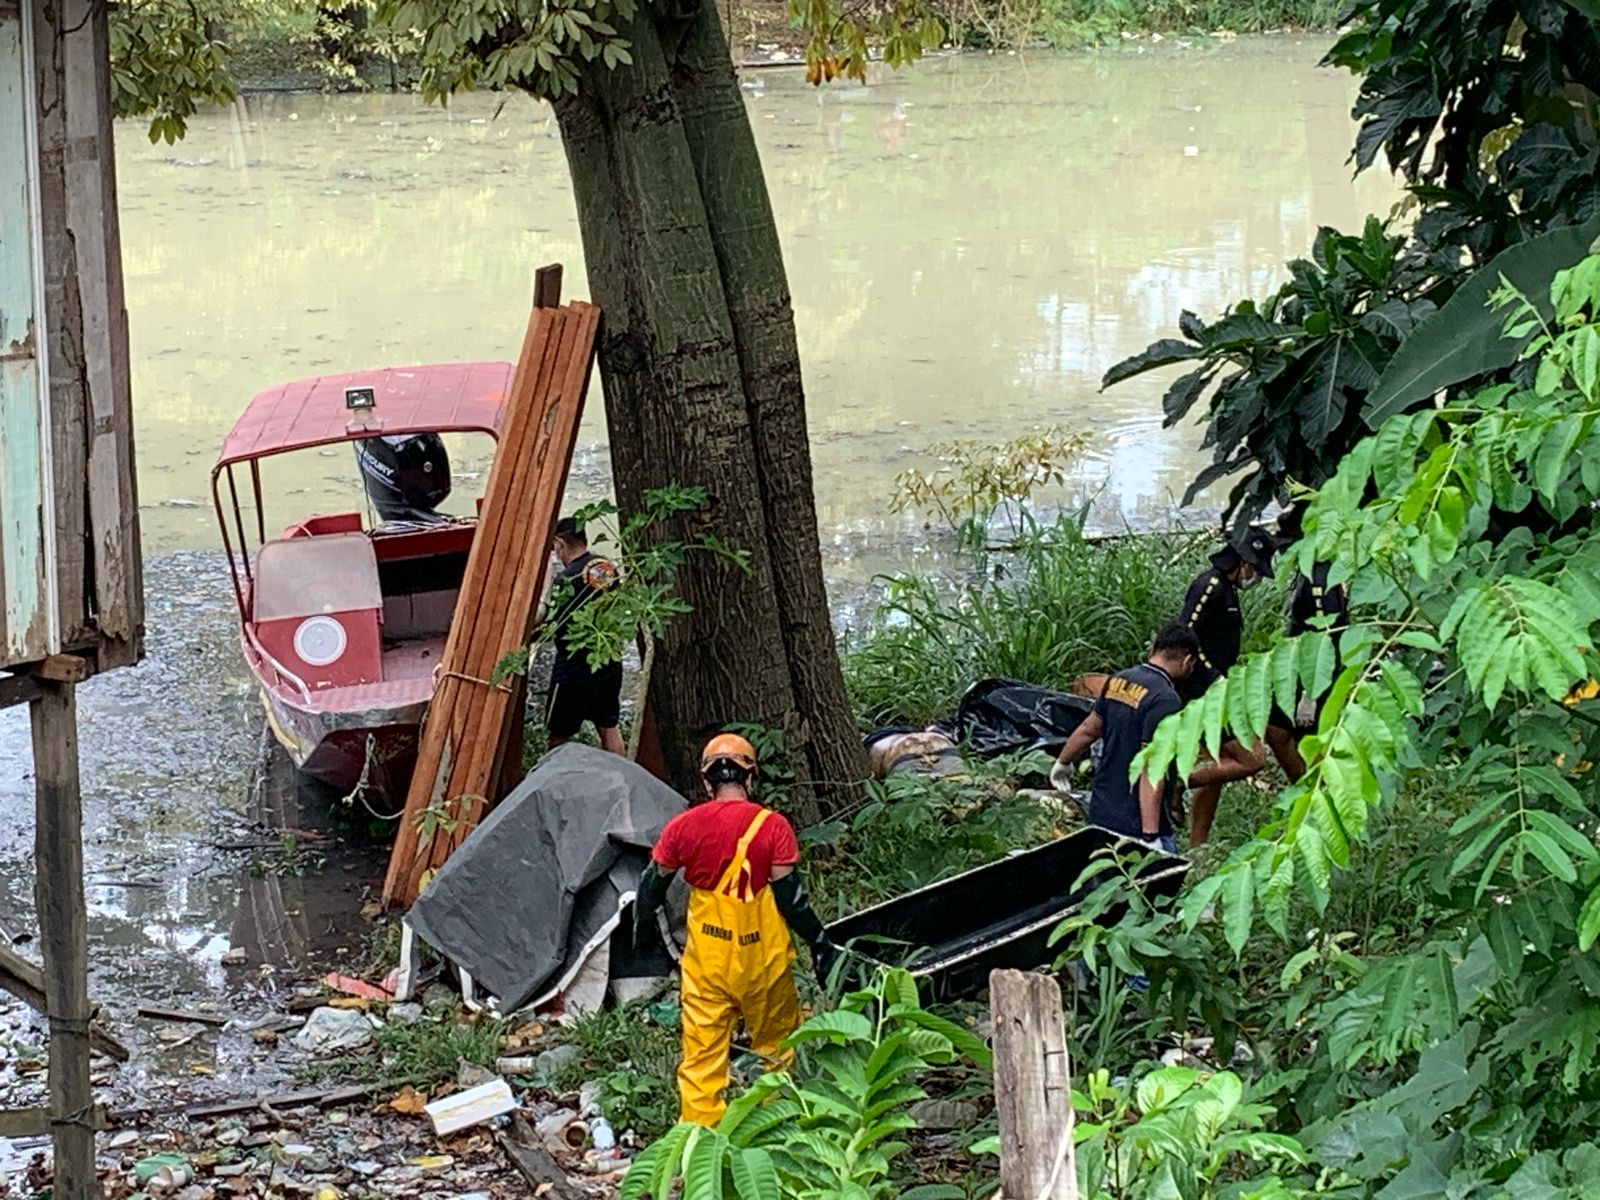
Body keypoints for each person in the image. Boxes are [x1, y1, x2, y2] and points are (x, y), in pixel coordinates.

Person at [633, 733, 837, 1125]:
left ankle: (699, 1143)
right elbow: (792, 900)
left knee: (702, 1057)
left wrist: (642, 929)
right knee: (776, 1046)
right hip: (764, 956)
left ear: (707, 781)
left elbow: (652, 884)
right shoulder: (773, 827)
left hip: (709, 959)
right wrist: (821, 942)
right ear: (751, 777)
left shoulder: (683, 827)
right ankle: (773, 1127)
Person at [1174, 526, 1304, 846]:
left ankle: (1197, 845)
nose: (1255, 577)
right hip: (1205, 694)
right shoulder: (1210, 587)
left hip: (1220, 689)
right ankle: (1174, 781)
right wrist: (1212, 678)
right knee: (1253, 758)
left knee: (1216, 770)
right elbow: (1185, 636)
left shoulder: (1227, 590)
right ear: (1243, 563)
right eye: (1256, 569)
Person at [1049, 623, 1200, 851]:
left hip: (1102, 810)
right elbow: (1151, 767)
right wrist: (1150, 835)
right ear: (1188, 661)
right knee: (1161, 883)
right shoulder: (1165, 699)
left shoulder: (1119, 680)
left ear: (1154, 650)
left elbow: (1089, 728)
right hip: (1135, 820)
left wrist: (1063, 762)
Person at [544, 517, 625, 756]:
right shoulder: (606, 568)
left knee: (559, 735)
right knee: (609, 727)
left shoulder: (565, 580)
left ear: (560, 544)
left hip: (574, 669)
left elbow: (553, 623)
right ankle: (620, 777)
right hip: (608, 661)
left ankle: (555, 780)